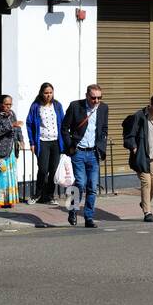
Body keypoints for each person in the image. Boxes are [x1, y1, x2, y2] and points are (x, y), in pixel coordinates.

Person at [63, 85, 108, 228]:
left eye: (99, 98)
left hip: (94, 152)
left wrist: (101, 146)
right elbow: (64, 127)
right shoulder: (75, 106)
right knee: (80, 183)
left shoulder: (103, 108)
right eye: (93, 97)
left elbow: (104, 128)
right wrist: (71, 145)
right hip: (79, 151)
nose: (96, 100)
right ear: (87, 96)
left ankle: (89, 217)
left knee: (92, 187)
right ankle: (73, 209)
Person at [124, 93, 153, 222]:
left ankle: (144, 202)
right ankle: (147, 212)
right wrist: (133, 147)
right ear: (151, 105)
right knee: (146, 181)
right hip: (141, 155)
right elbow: (130, 134)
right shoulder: (140, 116)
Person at [25, 83, 65, 205]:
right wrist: (32, 142)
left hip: (56, 142)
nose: (48, 95)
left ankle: (50, 196)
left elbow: (63, 122)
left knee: (53, 171)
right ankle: (37, 194)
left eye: (50, 93)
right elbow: (29, 123)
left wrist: (65, 141)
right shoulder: (36, 106)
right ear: (41, 93)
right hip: (42, 142)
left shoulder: (57, 105)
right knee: (43, 169)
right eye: (46, 93)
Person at [0, 95, 23, 210]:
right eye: (6, 104)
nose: (8, 107)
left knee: (10, 174)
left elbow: (17, 128)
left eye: (10, 104)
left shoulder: (12, 114)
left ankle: (8, 199)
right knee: (2, 175)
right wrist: (11, 125)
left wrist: (20, 139)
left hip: (11, 149)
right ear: (0, 104)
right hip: (0, 150)